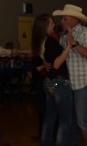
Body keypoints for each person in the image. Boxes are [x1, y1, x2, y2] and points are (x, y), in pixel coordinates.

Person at [31, 13, 73, 146]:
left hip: (49, 82)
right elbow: (56, 64)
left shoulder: (41, 41)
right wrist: (68, 46)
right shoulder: (49, 41)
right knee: (65, 121)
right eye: (51, 23)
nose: (54, 25)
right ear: (45, 27)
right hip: (59, 83)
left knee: (50, 118)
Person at [53, 4, 87, 145]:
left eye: (64, 18)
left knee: (83, 122)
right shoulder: (63, 36)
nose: (61, 21)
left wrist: (74, 44)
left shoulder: (85, 33)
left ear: (74, 19)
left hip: (83, 84)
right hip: (68, 85)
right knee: (72, 121)